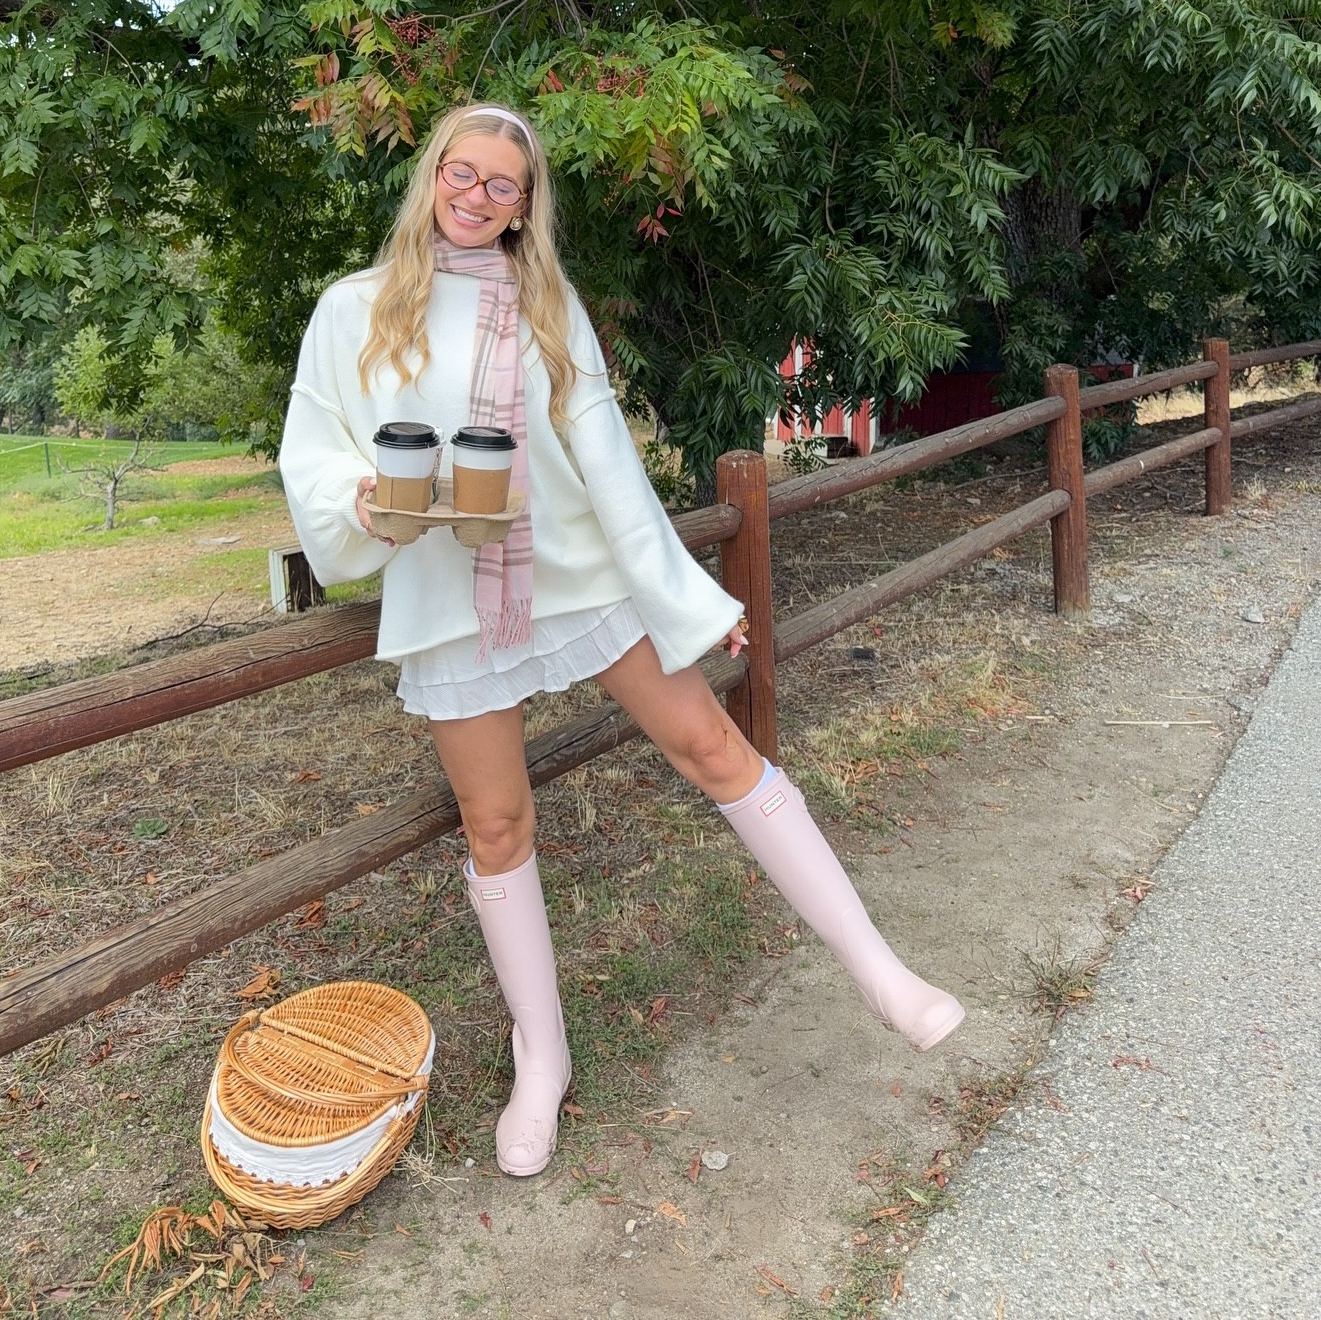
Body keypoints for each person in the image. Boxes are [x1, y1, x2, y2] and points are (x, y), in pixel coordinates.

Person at [279, 103, 964, 1178]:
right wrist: (360, 504)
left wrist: (683, 598)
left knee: (711, 746)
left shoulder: (547, 304)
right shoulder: (354, 310)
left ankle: (880, 969)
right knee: (497, 825)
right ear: (433, 176)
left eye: (503, 187)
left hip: (575, 574)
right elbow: (314, 448)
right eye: (464, 174)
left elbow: (609, 469)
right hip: (445, 589)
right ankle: (539, 1057)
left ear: (524, 206)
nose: (477, 197)